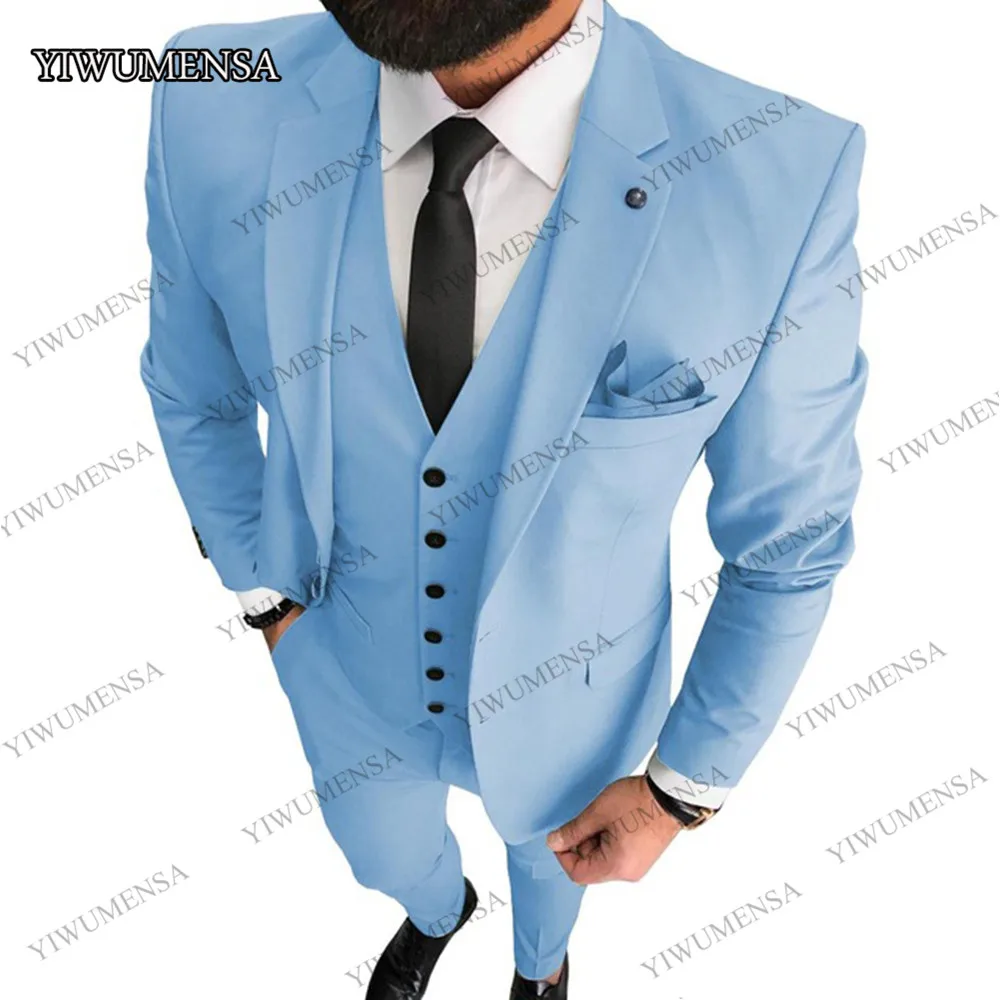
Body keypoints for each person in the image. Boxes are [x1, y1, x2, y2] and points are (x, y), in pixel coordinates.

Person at [140, 0, 867, 996]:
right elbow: (193, 390)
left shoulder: (782, 173)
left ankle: (539, 969)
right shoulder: (210, 92)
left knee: (556, 881)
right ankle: (438, 913)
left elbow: (789, 545)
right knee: (382, 857)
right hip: (343, 671)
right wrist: (268, 603)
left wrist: (678, 790)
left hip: (577, 705)